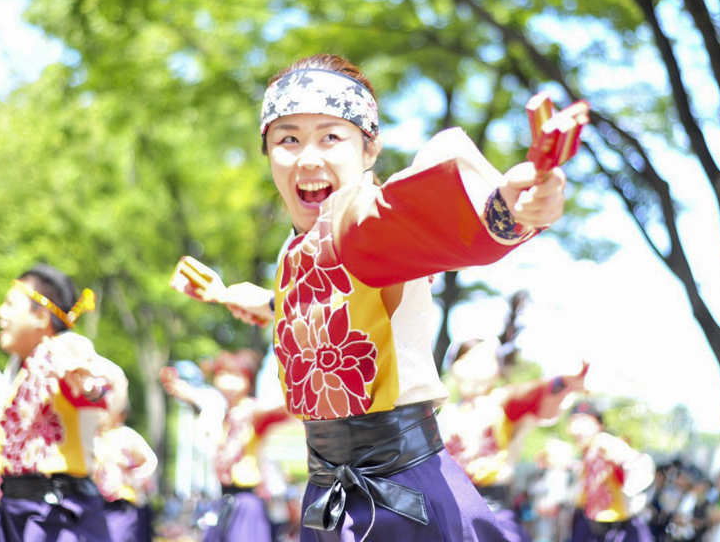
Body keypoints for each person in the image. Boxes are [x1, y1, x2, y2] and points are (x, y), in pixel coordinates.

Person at [189, 54, 569, 541]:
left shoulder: (361, 219)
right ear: (268, 152)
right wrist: (254, 301)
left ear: (370, 149)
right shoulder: (296, 249)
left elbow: (432, 220)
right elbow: (321, 303)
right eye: (288, 139)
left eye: (330, 137)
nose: (308, 158)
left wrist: (511, 206)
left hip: (403, 497)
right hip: (330, 493)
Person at [0, 264, 120, 541]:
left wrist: (91, 388)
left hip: (54, 515)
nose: (0, 312)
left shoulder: (63, 349)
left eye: (9, 304)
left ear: (41, 316)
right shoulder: (21, 368)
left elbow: (100, 386)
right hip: (17, 509)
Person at [439, 337, 588, 542]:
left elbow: (529, 395)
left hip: (490, 510)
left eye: (485, 360)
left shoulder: (500, 401)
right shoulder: (445, 413)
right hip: (446, 511)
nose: (475, 368)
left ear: (497, 369)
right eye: (467, 359)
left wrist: (561, 381)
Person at [160, 349, 289, 542]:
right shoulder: (220, 414)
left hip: (247, 502)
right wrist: (176, 384)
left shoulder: (251, 411)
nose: (228, 382)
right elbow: (193, 396)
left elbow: (282, 410)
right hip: (224, 500)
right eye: (223, 374)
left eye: (236, 376)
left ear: (249, 380)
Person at [568, 401, 656, 542]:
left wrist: (624, 457)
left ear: (599, 425)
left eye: (583, 420)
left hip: (621, 530)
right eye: (573, 421)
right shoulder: (585, 454)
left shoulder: (607, 444)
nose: (576, 429)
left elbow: (642, 470)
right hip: (592, 529)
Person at [93, 364, 157, 542]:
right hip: (97, 501)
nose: (101, 414)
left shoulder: (126, 435)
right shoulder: (94, 436)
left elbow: (150, 461)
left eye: (105, 410)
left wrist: (134, 476)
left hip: (121, 502)